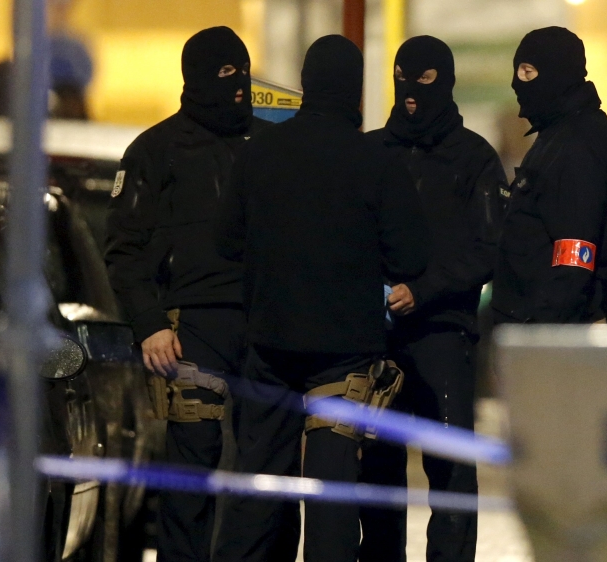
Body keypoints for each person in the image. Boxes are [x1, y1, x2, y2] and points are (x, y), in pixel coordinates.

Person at [212, 35, 429, 562]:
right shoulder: (374, 161)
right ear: (356, 91)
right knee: (332, 497)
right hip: (345, 355)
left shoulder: (259, 151)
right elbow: (411, 258)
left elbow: (226, 242)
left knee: (256, 491)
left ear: (306, 85)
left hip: (269, 345)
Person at [104, 26, 288, 562]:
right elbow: (124, 250)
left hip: (266, 325)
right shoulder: (155, 151)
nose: (239, 86)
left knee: (268, 467)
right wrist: (150, 323)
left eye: (243, 72)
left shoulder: (271, 145)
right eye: (227, 74)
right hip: (191, 332)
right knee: (192, 466)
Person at [359, 35, 507, 562]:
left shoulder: (473, 158)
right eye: (403, 78)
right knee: (377, 471)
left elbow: (490, 248)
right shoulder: (373, 150)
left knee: (449, 472)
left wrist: (422, 291)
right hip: (376, 337)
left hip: (444, 334)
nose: (412, 93)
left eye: (423, 80)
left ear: (443, 82)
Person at [492, 26, 607, 325]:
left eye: (527, 71)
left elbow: (574, 258)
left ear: (555, 74)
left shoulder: (578, 146)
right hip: (542, 326)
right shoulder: (560, 135)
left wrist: (543, 333)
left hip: (553, 332)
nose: (516, 83)